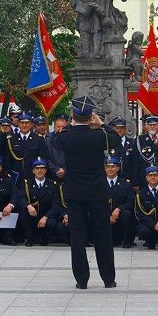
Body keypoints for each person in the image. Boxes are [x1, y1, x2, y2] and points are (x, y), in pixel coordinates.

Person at [51, 96, 117, 290]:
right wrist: (101, 124)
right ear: (91, 116)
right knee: (103, 236)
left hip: (75, 193)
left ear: (73, 115)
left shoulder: (66, 136)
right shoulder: (99, 135)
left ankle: (82, 279)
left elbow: (55, 141)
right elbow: (115, 138)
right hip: (97, 191)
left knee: (77, 237)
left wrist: (72, 125)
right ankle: (108, 278)